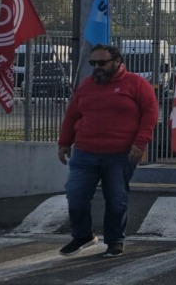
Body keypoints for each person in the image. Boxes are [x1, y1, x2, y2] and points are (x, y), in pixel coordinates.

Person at [56, 44, 159, 258]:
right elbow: (72, 115)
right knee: (75, 195)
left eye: (102, 63)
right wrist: (64, 142)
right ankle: (83, 236)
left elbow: (150, 114)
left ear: (118, 62)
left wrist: (140, 143)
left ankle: (114, 241)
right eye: (93, 63)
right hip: (85, 152)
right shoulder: (86, 86)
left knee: (116, 199)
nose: (97, 67)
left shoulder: (136, 84)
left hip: (120, 154)